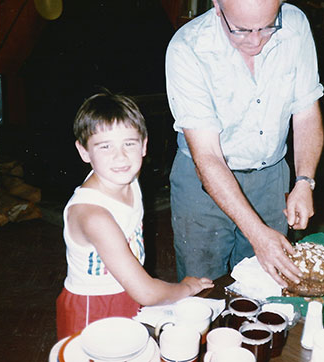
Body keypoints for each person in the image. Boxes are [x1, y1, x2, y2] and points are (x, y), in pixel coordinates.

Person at [165, 0, 324, 286]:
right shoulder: (187, 48)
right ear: (217, 5)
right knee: (203, 289)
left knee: (264, 286)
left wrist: (304, 180)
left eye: (267, 27)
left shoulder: (295, 24)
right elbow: (208, 156)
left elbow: (306, 113)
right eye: (240, 30)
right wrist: (256, 232)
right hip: (203, 182)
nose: (256, 41)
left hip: (270, 179)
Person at [56, 91, 214, 340]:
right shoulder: (94, 216)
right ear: (84, 151)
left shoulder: (127, 178)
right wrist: (186, 288)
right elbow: (146, 293)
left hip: (128, 290)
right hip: (94, 306)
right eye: (105, 146)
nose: (120, 156)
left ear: (144, 145)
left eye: (129, 143)